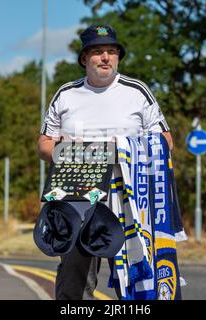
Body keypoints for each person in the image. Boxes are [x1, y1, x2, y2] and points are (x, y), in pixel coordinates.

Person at [37, 25, 173, 300]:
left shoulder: (137, 92)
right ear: (84, 58)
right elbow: (44, 145)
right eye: (98, 52)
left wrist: (119, 150)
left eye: (112, 51)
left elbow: (166, 142)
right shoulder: (66, 94)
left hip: (130, 200)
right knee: (75, 279)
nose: (106, 58)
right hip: (77, 199)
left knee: (136, 276)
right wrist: (69, 152)